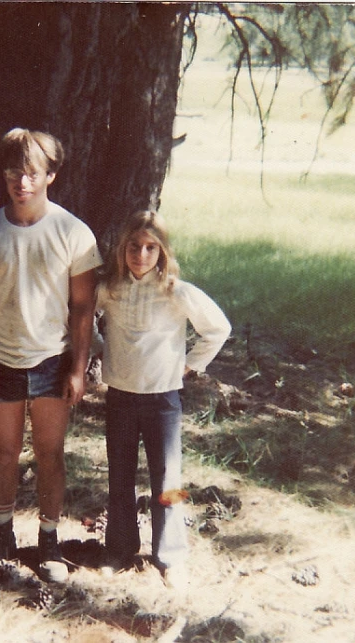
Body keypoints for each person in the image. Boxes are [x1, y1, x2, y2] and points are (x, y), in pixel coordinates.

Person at [0, 128, 102, 583]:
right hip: (1, 360)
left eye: (30, 174)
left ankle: (48, 540)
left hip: (52, 362)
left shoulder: (73, 233)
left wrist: (78, 369)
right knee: (3, 454)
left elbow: (83, 307)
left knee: (50, 453)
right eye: (12, 173)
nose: (20, 182)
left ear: (50, 176)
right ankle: (2, 536)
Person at [96, 210, 231, 590]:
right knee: (119, 475)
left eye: (150, 248)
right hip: (121, 396)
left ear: (162, 252)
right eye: (133, 247)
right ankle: (120, 549)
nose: (141, 255)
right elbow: (81, 318)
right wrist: (98, 349)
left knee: (168, 479)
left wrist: (189, 366)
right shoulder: (109, 288)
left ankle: (171, 555)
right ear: (122, 249)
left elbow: (218, 329)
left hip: (163, 400)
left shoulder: (176, 291)